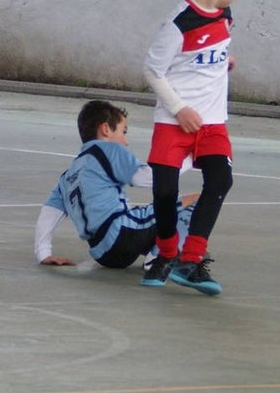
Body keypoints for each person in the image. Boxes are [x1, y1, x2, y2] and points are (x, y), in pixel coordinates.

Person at [142, 0, 249, 296]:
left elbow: (211, 50)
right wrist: (179, 108)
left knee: (220, 181)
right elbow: (153, 71)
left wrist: (224, 62)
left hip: (213, 122)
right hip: (175, 122)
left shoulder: (225, 15)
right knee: (165, 191)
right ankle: (166, 253)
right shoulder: (177, 24)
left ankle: (191, 260)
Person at [34, 100, 197, 272]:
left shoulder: (68, 175)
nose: (125, 142)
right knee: (195, 200)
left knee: (156, 213)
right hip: (122, 234)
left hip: (103, 253)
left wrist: (43, 253)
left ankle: (164, 249)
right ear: (105, 129)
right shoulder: (107, 150)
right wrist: (191, 159)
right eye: (123, 132)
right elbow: (145, 178)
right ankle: (161, 257)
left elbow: (50, 212)